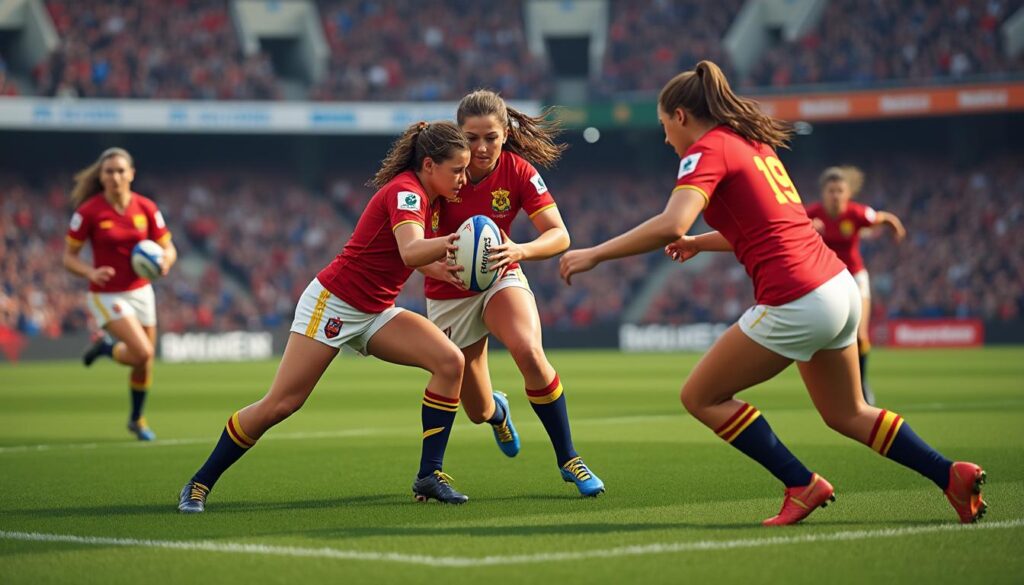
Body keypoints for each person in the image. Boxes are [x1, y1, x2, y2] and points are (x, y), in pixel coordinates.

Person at [559, 61, 986, 526]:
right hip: (838, 286)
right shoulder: (753, 144)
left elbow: (671, 223)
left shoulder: (707, 148)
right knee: (848, 412)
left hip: (798, 296)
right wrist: (699, 243)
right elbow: (766, 226)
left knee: (701, 396)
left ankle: (800, 483)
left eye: (664, 126)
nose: (665, 138)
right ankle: (950, 475)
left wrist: (595, 253)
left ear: (681, 116)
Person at [177, 121, 472, 513]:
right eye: (458, 170)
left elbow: (407, 258)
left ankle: (429, 475)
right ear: (430, 165)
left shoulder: (430, 197)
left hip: (375, 310)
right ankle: (199, 483)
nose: (464, 178)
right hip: (333, 304)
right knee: (282, 403)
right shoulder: (406, 192)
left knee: (450, 362)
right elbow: (409, 251)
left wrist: (443, 269)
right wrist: (454, 243)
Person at [419, 89, 604, 496]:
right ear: (458, 135)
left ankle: (569, 459)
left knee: (529, 351)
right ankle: (498, 411)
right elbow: (411, 249)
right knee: (477, 409)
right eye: (472, 138)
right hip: (449, 292)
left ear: (505, 134)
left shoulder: (519, 171)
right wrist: (437, 268)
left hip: (501, 275)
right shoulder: (440, 173)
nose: (482, 148)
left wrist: (521, 250)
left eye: (491, 137)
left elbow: (559, 235)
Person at [63, 147, 177, 441]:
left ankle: (137, 419)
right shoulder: (88, 212)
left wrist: (166, 261)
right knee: (142, 352)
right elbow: (68, 258)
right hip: (107, 294)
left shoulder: (146, 208)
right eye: (109, 171)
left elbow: (168, 247)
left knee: (144, 362)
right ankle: (105, 348)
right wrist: (90, 273)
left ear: (131, 174)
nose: (115, 176)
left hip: (141, 291)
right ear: (101, 176)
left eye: (120, 171)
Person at [805, 166, 906, 405]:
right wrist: (807, 229)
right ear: (823, 193)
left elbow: (884, 218)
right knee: (824, 335)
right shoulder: (811, 215)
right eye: (831, 191)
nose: (835, 195)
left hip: (855, 277)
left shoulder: (856, 213)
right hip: (825, 281)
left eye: (840, 190)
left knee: (860, 336)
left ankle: (861, 384)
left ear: (847, 193)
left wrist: (897, 228)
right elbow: (788, 231)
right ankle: (833, 384)